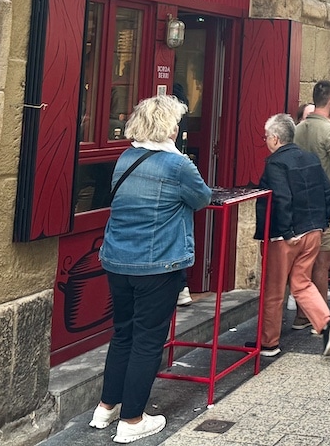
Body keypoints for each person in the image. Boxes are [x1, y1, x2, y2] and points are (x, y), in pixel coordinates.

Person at [91, 96, 212, 443]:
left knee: (123, 333)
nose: (178, 128)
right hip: (156, 264)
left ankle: (106, 407)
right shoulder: (178, 166)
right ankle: (131, 421)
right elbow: (201, 198)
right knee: (147, 341)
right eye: (176, 122)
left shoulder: (125, 157)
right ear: (167, 127)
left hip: (117, 260)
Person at [252, 114, 330, 357]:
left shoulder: (275, 163)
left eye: (266, 137)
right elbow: (327, 190)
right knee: (302, 283)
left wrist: (286, 232)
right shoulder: (310, 158)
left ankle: (269, 343)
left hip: (286, 235)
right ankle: (325, 323)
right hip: (313, 230)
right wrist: (322, 224)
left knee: (274, 289)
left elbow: (282, 199)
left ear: (274, 138)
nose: (266, 141)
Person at [292, 80, 330, 317]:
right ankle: (321, 318)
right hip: (328, 205)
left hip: (302, 203)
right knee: (321, 265)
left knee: (303, 265)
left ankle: (301, 315)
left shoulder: (298, 130)